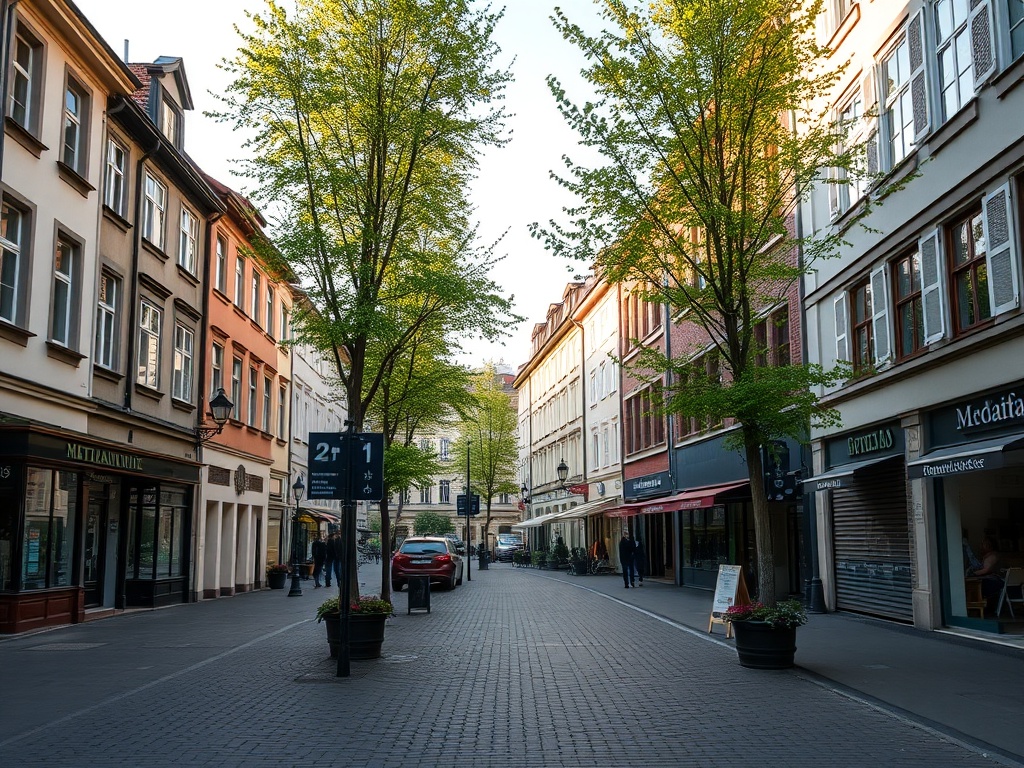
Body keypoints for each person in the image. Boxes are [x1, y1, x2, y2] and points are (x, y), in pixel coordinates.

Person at [970, 536, 1003, 603]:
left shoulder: (993, 556)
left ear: (990, 545)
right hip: (994, 580)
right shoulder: (989, 555)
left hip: (995, 582)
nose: (981, 546)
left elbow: (986, 570)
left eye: (983, 544)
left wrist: (973, 574)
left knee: (974, 585)